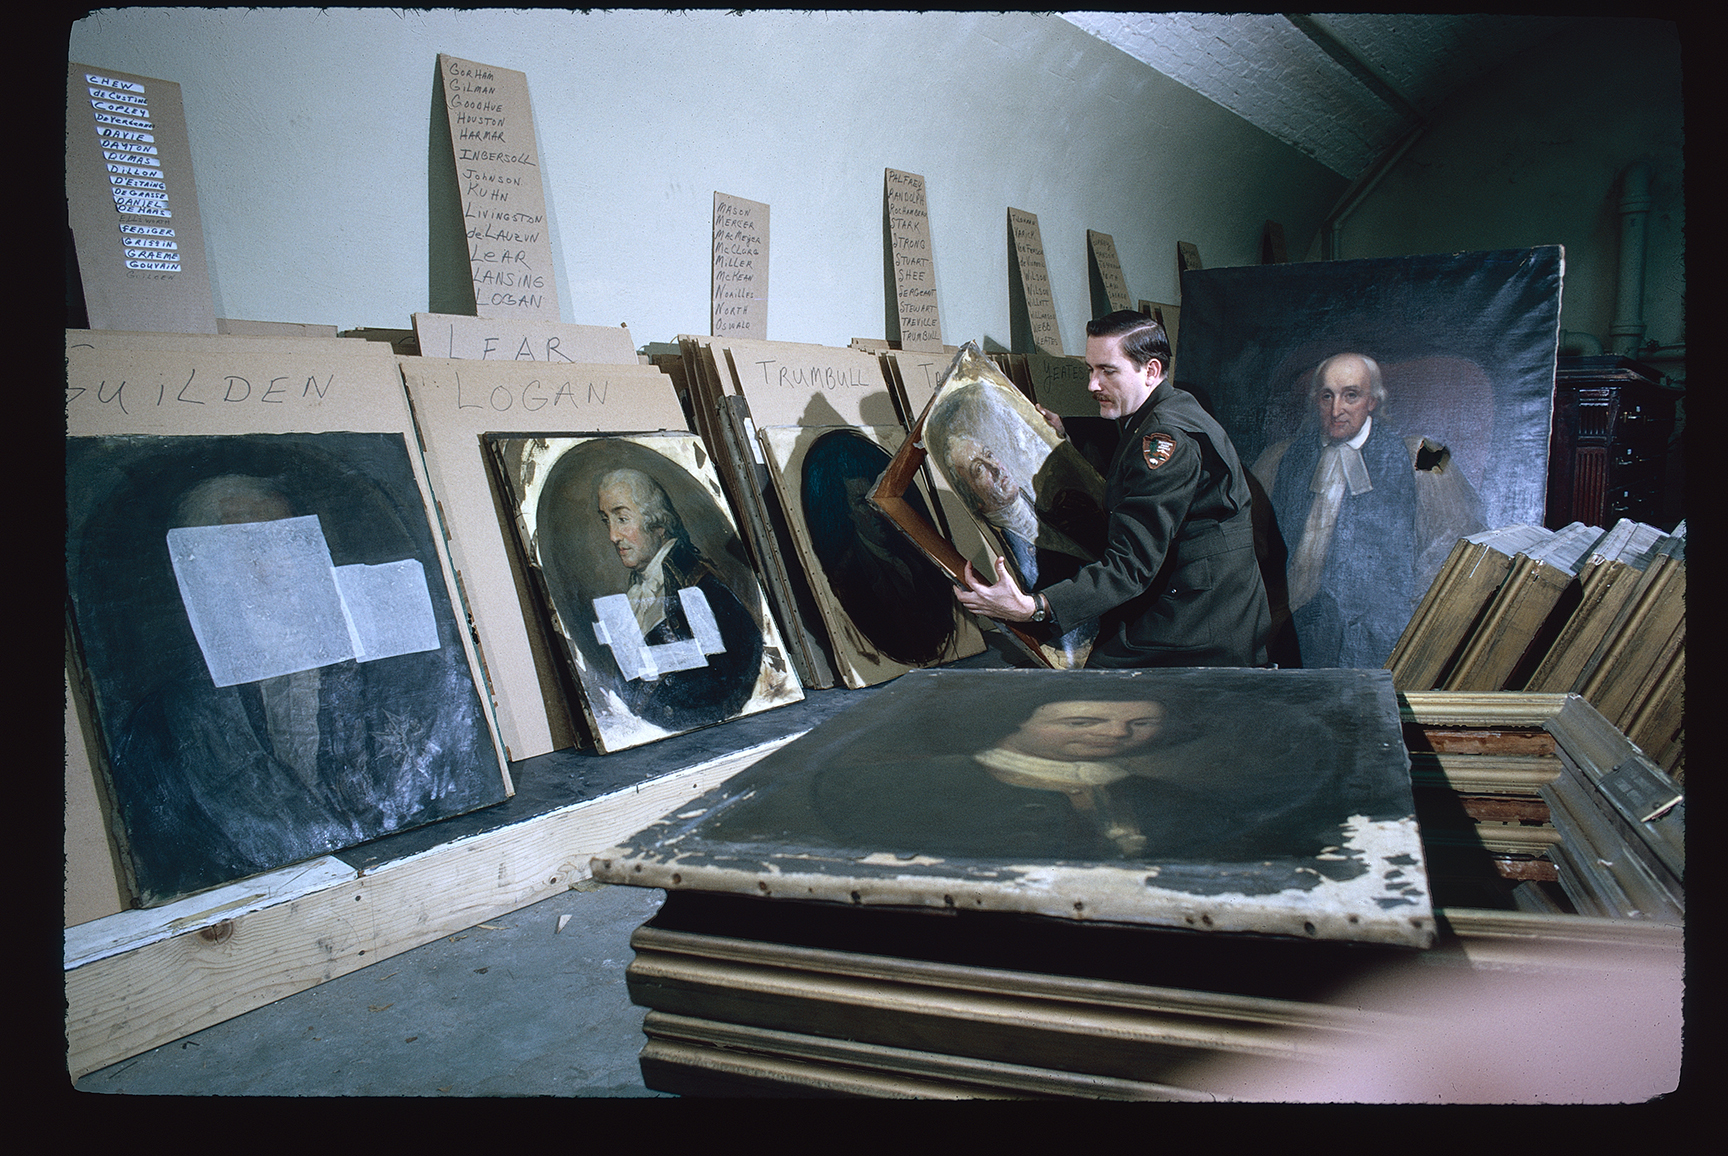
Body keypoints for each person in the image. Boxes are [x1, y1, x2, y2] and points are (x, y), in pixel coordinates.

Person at [955, 310, 1270, 668]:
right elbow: (1131, 437)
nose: (1092, 384)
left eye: (1107, 371)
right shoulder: (1172, 404)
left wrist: (1035, 607)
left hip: (1201, 625)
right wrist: (1067, 428)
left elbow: (1130, 566)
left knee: (1090, 675)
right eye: (1091, 369)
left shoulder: (1167, 443)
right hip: (1207, 598)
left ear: (1150, 370)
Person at [1253, 353, 1485, 669]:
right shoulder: (1280, 459)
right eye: (1327, 396)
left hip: (1377, 644)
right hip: (1290, 638)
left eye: (1351, 395)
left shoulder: (1422, 454)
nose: (1337, 410)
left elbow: (1452, 550)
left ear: (1372, 401)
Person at [809, 695, 1234, 861]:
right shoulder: (912, 786)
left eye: (1142, 723)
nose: (1117, 734)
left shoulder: (1171, 797)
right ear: (1014, 723)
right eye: (1084, 721)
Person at [594, 467, 763, 729]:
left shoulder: (699, 586)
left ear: (658, 524)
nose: (613, 536)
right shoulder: (636, 591)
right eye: (607, 521)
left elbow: (736, 674)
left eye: (623, 519)